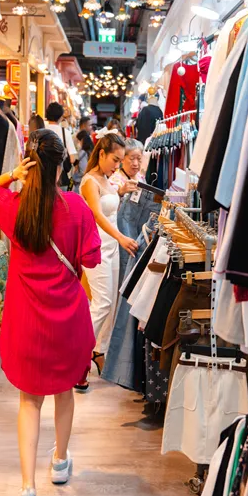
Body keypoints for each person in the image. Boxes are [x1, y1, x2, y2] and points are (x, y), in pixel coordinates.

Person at [0, 129, 102, 496]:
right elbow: (91, 259)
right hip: (67, 320)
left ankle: (27, 491)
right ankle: (60, 461)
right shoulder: (76, 207)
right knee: (64, 392)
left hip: (25, 322)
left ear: (30, 165)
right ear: (60, 166)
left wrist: (12, 175)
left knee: (29, 402)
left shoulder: (14, 207)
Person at [79, 131, 139, 388]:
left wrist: (121, 192)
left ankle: (98, 351)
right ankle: (79, 357)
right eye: (115, 160)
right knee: (102, 303)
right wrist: (121, 237)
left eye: (120, 160)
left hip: (111, 247)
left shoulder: (105, 179)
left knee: (111, 303)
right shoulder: (89, 181)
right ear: (101, 154)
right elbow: (97, 215)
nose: (118, 165)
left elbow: (110, 208)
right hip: (96, 249)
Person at [45, 102, 76, 190]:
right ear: (61, 117)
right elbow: (72, 159)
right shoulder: (65, 133)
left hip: (43, 176)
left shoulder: (40, 129)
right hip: (61, 179)